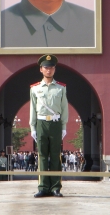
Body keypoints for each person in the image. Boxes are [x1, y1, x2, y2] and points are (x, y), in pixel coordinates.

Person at [30, 54, 68, 197]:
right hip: (41, 123)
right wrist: (33, 127)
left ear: (54, 69)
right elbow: (32, 109)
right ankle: (43, 187)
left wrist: (63, 126)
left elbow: (64, 108)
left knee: (55, 155)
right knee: (42, 156)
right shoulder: (34, 88)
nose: (49, 70)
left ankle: (55, 187)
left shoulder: (61, 88)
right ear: (41, 69)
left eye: (51, 67)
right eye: (46, 67)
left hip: (55, 123)